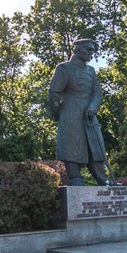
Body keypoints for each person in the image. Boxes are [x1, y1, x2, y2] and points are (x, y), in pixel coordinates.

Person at [47, 38, 109, 186]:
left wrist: (92, 107)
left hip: (89, 116)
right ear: (78, 50)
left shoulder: (91, 71)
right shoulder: (64, 68)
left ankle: (103, 179)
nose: (91, 53)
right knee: (72, 148)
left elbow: (97, 93)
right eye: (88, 49)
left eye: (92, 50)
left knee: (95, 147)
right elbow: (54, 92)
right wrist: (58, 113)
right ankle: (75, 179)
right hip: (70, 115)